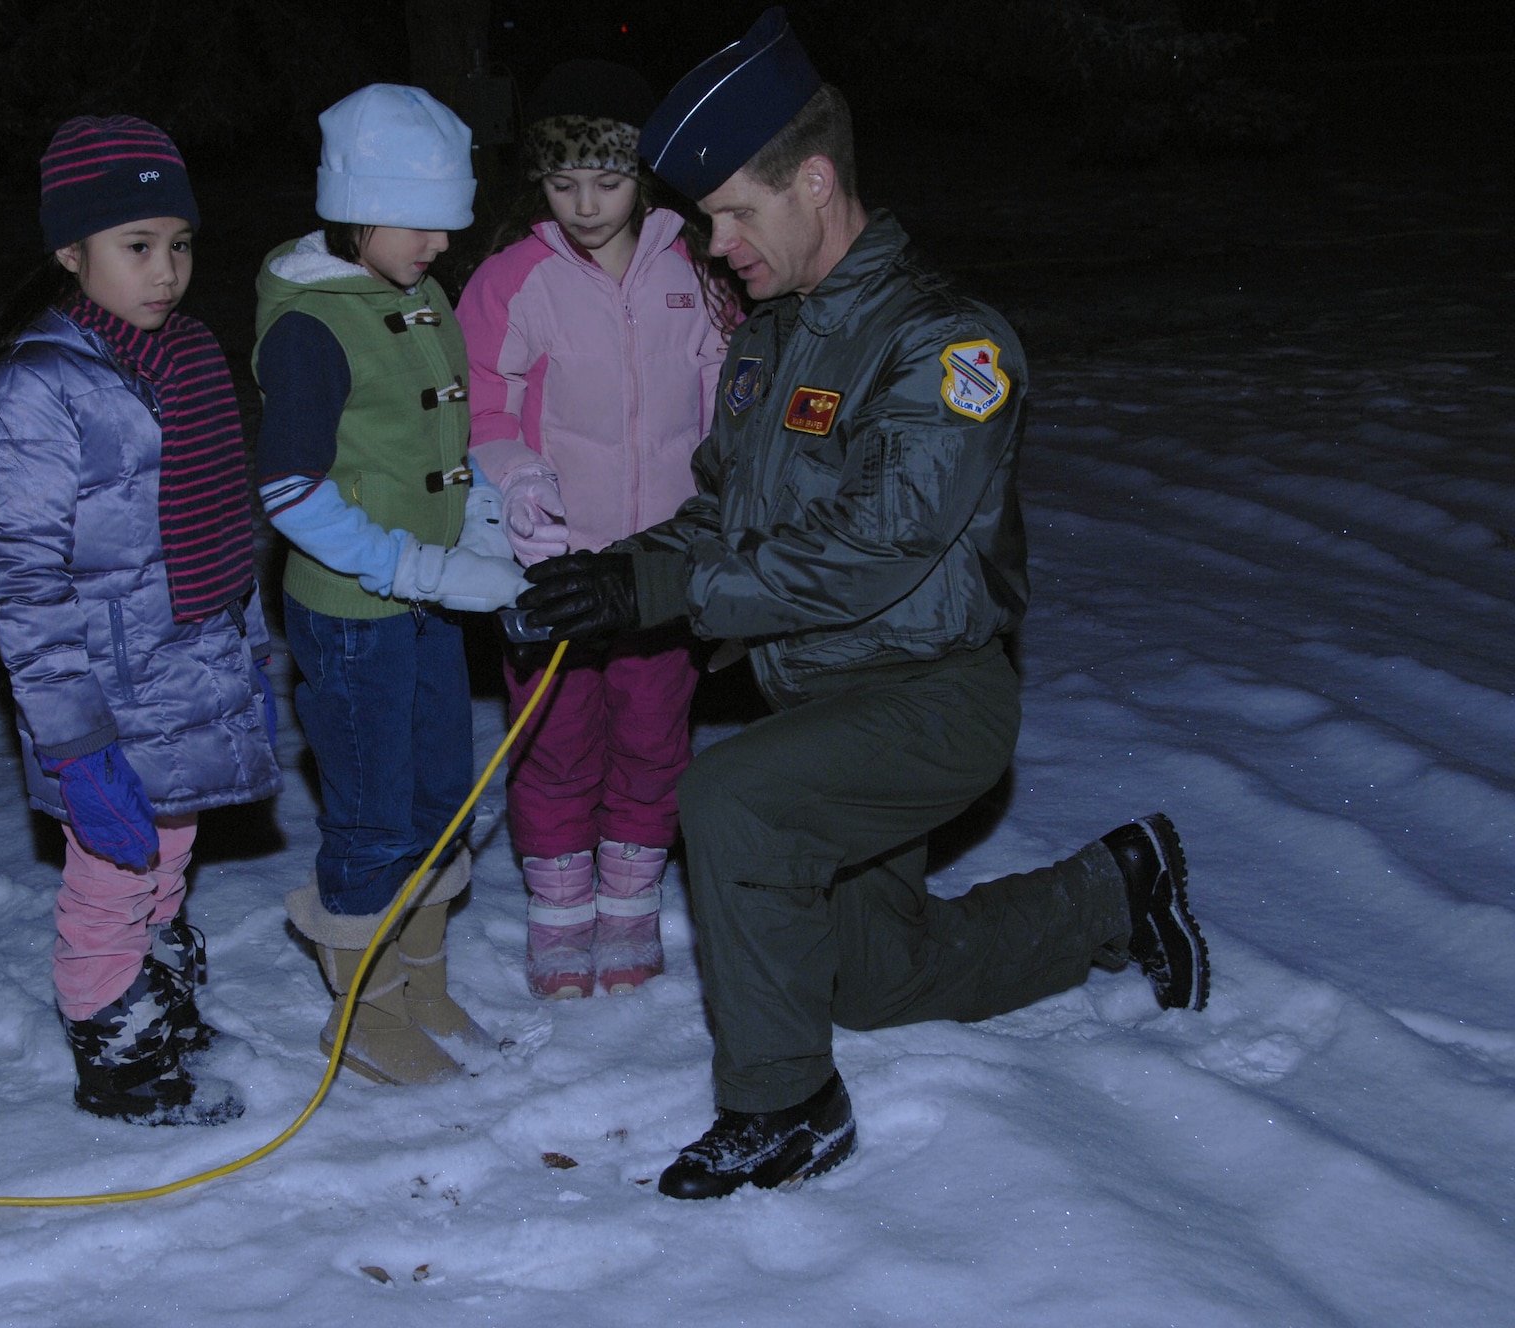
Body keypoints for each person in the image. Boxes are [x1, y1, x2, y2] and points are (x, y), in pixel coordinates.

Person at [516, 9, 1211, 1199]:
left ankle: (784, 1106)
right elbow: (720, 516)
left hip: (933, 696)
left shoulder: (946, 345)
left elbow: (871, 548)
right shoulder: (765, 344)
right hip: (815, 703)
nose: (715, 241)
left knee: (728, 801)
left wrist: (674, 594)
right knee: (873, 975)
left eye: (734, 211)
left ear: (815, 180)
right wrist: (620, 573)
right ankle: (1115, 884)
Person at [0, 116, 282, 1126]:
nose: (165, 271)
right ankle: (114, 1045)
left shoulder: (181, 359)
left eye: (178, 244)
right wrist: (74, 738)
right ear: (71, 253)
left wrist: (251, 657)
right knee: (110, 871)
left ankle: (156, 986)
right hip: (103, 687)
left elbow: (225, 529)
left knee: (170, 850)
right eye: (135, 247)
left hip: (188, 663)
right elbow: (20, 575)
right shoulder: (39, 386)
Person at [253, 85, 528, 1086]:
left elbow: (441, 438)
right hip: (355, 615)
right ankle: (361, 1011)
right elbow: (290, 489)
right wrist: (423, 566)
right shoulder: (312, 326)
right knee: (368, 811)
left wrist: (488, 517)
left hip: (426, 606)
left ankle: (420, 977)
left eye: (447, 225)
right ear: (356, 208)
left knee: (435, 794)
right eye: (419, 224)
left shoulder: (408, 291)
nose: (438, 246)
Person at [456, 59, 735, 1000]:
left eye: (606, 181)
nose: (584, 203)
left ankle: (628, 910)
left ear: (643, 174)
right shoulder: (515, 278)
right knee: (556, 737)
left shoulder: (692, 269)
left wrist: (720, 498)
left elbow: (726, 393)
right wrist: (519, 487)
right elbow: (482, 405)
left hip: (663, 564)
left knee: (654, 735)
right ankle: (559, 921)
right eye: (562, 181)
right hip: (556, 566)